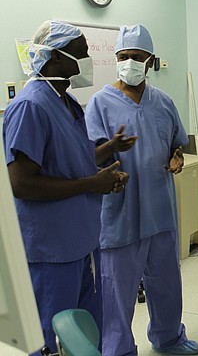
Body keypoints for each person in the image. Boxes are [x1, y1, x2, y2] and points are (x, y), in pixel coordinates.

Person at [2, 20, 130, 355]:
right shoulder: (30, 106)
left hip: (81, 244)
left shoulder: (66, 102)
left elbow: (71, 162)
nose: (88, 57)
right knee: (52, 339)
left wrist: (105, 171)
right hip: (51, 250)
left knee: (84, 336)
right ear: (56, 57)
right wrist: (92, 183)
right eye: (82, 51)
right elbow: (21, 183)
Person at [84, 25, 198, 356]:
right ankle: (118, 348)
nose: (129, 63)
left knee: (165, 282)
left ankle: (169, 338)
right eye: (123, 57)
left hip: (159, 209)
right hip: (119, 213)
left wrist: (177, 157)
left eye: (137, 57)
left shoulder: (162, 102)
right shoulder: (99, 104)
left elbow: (177, 144)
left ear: (150, 61)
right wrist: (112, 148)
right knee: (115, 291)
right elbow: (90, 156)